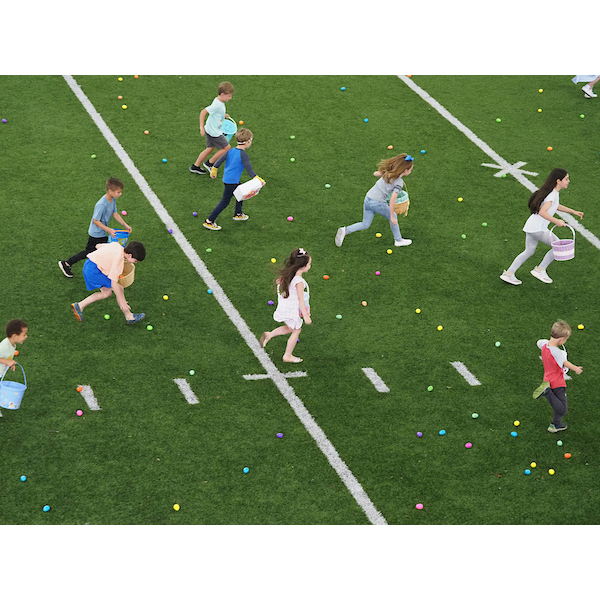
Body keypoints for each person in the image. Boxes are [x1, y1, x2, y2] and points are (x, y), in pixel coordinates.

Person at [500, 168, 583, 285]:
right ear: (558, 181)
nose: (568, 181)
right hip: (538, 229)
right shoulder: (552, 195)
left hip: (531, 226)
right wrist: (556, 221)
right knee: (558, 247)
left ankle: (508, 274)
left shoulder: (552, 194)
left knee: (528, 251)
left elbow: (556, 206)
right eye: (566, 179)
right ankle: (540, 270)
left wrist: (573, 211)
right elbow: (542, 212)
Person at [335, 153, 414, 248]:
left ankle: (345, 230)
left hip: (368, 199)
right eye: (410, 170)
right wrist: (392, 217)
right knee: (394, 216)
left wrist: (383, 173)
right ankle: (398, 240)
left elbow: (375, 173)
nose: (410, 171)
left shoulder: (387, 173)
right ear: (405, 170)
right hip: (377, 203)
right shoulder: (399, 182)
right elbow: (393, 200)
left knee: (365, 224)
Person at [59, 178, 132, 278]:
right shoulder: (101, 204)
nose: (120, 194)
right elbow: (95, 220)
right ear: (110, 191)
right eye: (119, 192)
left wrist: (125, 225)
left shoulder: (112, 200)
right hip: (96, 233)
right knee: (89, 252)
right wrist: (108, 230)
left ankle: (105, 268)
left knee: (106, 248)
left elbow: (115, 214)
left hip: (101, 232)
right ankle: (67, 263)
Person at [71, 240, 146, 324]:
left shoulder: (116, 245)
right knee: (119, 287)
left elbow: (97, 246)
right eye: (135, 261)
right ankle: (129, 316)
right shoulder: (119, 261)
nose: (135, 263)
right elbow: (114, 283)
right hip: (94, 271)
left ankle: (79, 306)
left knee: (107, 293)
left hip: (89, 265)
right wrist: (122, 301)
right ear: (129, 255)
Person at [203, 128, 264, 230]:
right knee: (225, 201)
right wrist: (258, 179)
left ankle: (238, 213)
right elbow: (249, 170)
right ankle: (209, 221)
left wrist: (214, 170)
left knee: (241, 193)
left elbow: (219, 160)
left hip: (228, 179)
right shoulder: (243, 155)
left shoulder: (231, 151)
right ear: (248, 142)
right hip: (232, 181)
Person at [259, 248, 312, 363]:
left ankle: (269, 335)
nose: (310, 266)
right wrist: (306, 316)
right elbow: (300, 299)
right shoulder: (299, 281)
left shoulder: (289, 274)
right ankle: (287, 355)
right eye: (309, 264)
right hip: (291, 310)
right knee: (296, 330)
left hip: (285, 307)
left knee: (289, 328)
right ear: (302, 266)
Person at [532, 320, 582, 433]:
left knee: (559, 405)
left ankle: (555, 425)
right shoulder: (556, 353)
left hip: (547, 379)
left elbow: (539, 342)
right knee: (562, 409)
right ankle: (547, 393)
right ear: (561, 339)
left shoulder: (544, 344)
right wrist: (576, 368)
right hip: (557, 382)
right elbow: (565, 363)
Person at [189, 81, 235, 176]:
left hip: (210, 129)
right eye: (229, 96)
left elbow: (215, 113)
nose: (230, 98)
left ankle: (195, 166)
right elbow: (203, 112)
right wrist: (201, 127)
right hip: (214, 132)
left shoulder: (219, 101)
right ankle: (209, 163)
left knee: (209, 148)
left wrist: (223, 115)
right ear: (223, 94)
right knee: (227, 147)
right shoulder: (217, 104)